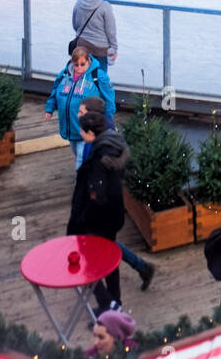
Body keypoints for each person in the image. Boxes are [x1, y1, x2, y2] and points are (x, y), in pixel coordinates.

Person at [77, 96, 155, 289]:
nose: (78, 115)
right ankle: (140, 267)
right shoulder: (101, 136)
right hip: (105, 203)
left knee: (102, 243)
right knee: (104, 242)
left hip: (104, 206)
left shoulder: (103, 143)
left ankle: (102, 283)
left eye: (82, 112)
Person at [68, 112, 130, 311]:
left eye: (82, 130)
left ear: (91, 134)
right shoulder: (114, 148)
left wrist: (82, 221)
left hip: (96, 223)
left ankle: (108, 303)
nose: (80, 133)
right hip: (114, 216)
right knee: (111, 259)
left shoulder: (97, 162)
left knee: (85, 263)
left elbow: (96, 195)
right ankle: (115, 300)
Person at [46, 46, 115, 167]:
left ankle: (82, 182)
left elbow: (109, 100)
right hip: (71, 127)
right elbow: (55, 91)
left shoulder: (99, 77)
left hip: (89, 128)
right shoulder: (64, 74)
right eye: (76, 64)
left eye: (82, 64)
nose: (79, 68)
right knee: (79, 155)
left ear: (89, 60)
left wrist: (108, 120)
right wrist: (50, 108)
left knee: (81, 162)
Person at [71, 0, 118, 67]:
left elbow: (75, 25)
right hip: (101, 49)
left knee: (83, 74)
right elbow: (111, 31)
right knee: (100, 77)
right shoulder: (105, 6)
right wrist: (114, 48)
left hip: (82, 45)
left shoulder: (79, 3)